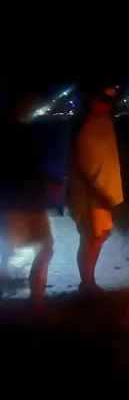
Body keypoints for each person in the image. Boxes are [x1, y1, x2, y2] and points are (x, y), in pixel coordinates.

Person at [0, 91, 62, 310]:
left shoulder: (26, 130)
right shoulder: (8, 130)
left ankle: (37, 301)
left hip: (32, 201)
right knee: (7, 253)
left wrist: (49, 182)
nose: (32, 105)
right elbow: (18, 167)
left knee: (45, 248)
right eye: (28, 101)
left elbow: (31, 166)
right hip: (13, 203)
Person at [67, 86, 124, 294]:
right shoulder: (81, 124)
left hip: (106, 192)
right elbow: (73, 163)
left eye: (108, 103)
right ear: (92, 101)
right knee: (91, 237)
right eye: (100, 101)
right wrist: (93, 193)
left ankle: (89, 281)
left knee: (103, 234)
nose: (103, 106)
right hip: (89, 193)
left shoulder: (109, 122)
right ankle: (87, 283)